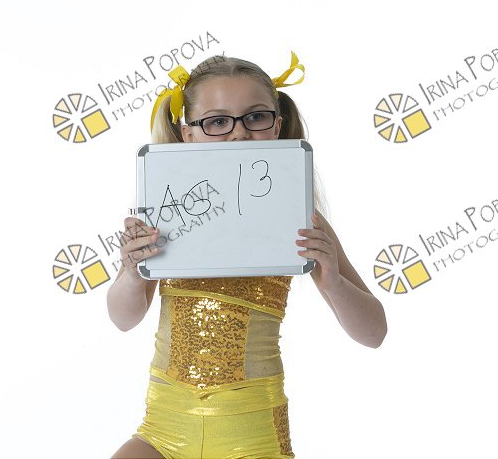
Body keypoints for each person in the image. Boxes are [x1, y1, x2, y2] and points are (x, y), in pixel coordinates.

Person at [107, 52, 388, 459]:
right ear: (188, 133)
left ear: (277, 125)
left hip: (253, 437)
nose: (238, 134)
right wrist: (133, 274)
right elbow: (123, 319)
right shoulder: (169, 213)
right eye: (217, 122)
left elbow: (374, 333)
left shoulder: (300, 220)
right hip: (164, 429)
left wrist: (333, 282)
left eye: (255, 117)